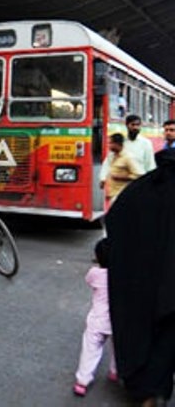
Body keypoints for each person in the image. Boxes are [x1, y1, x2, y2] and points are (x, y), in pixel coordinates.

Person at [106, 147, 175, 406]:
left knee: (138, 332)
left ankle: (140, 387)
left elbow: (114, 224)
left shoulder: (141, 190)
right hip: (170, 288)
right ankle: (156, 389)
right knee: (166, 340)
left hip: (138, 282)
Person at [73, 238, 117, 397]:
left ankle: (82, 382)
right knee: (118, 347)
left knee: (90, 350)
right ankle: (115, 371)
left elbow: (89, 282)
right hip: (116, 321)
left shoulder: (94, 273)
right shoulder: (121, 276)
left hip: (97, 321)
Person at [99, 133, 143, 205]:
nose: (108, 145)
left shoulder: (128, 157)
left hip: (123, 196)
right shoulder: (111, 156)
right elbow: (108, 169)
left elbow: (139, 176)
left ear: (117, 144)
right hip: (113, 195)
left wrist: (122, 177)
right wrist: (104, 181)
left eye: (110, 143)